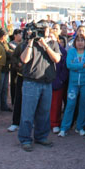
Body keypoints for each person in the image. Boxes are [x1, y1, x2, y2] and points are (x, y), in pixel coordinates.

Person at [18, 22, 61, 152]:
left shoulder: (53, 44)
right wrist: (31, 42)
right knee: (27, 113)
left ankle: (41, 136)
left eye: (45, 30)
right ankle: (25, 139)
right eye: (40, 30)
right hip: (31, 82)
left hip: (47, 82)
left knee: (44, 113)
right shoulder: (27, 43)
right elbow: (24, 59)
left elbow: (56, 59)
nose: (43, 33)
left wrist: (45, 44)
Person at [58, 35, 85, 136]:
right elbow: (69, 65)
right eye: (78, 41)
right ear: (75, 42)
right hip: (73, 83)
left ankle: (80, 127)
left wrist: (76, 67)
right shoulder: (71, 52)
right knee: (70, 104)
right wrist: (82, 65)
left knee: (83, 104)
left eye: (82, 41)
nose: (80, 43)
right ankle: (64, 128)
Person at [50, 30, 68, 134]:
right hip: (45, 81)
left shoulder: (62, 51)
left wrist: (61, 80)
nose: (50, 39)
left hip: (57, 82)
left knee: (56, 104)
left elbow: (64, 68)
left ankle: (55, 123)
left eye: (52, 37)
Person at [0, 28, 13, 112]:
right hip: (0, 68)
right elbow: (6, 53)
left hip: (6, 68)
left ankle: (3, 105)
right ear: (3, 36)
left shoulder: (5, 43)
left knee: (5, 88)